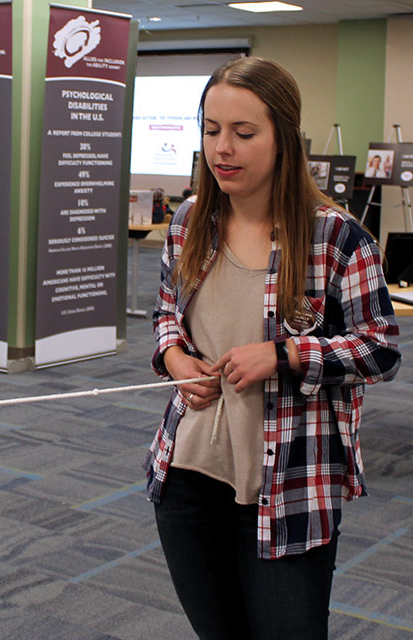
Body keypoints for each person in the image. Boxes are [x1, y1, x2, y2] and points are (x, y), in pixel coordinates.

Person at [145, 57, 401, 640]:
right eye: (211, 130)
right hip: (188, 475)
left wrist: (285, 354)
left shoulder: (336, 238)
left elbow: (381, 350)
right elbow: (166, 318)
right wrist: (177, 361)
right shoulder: (189, 222)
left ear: (284, 137)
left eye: (243, 133)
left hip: (288, 484)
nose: (222, 149)